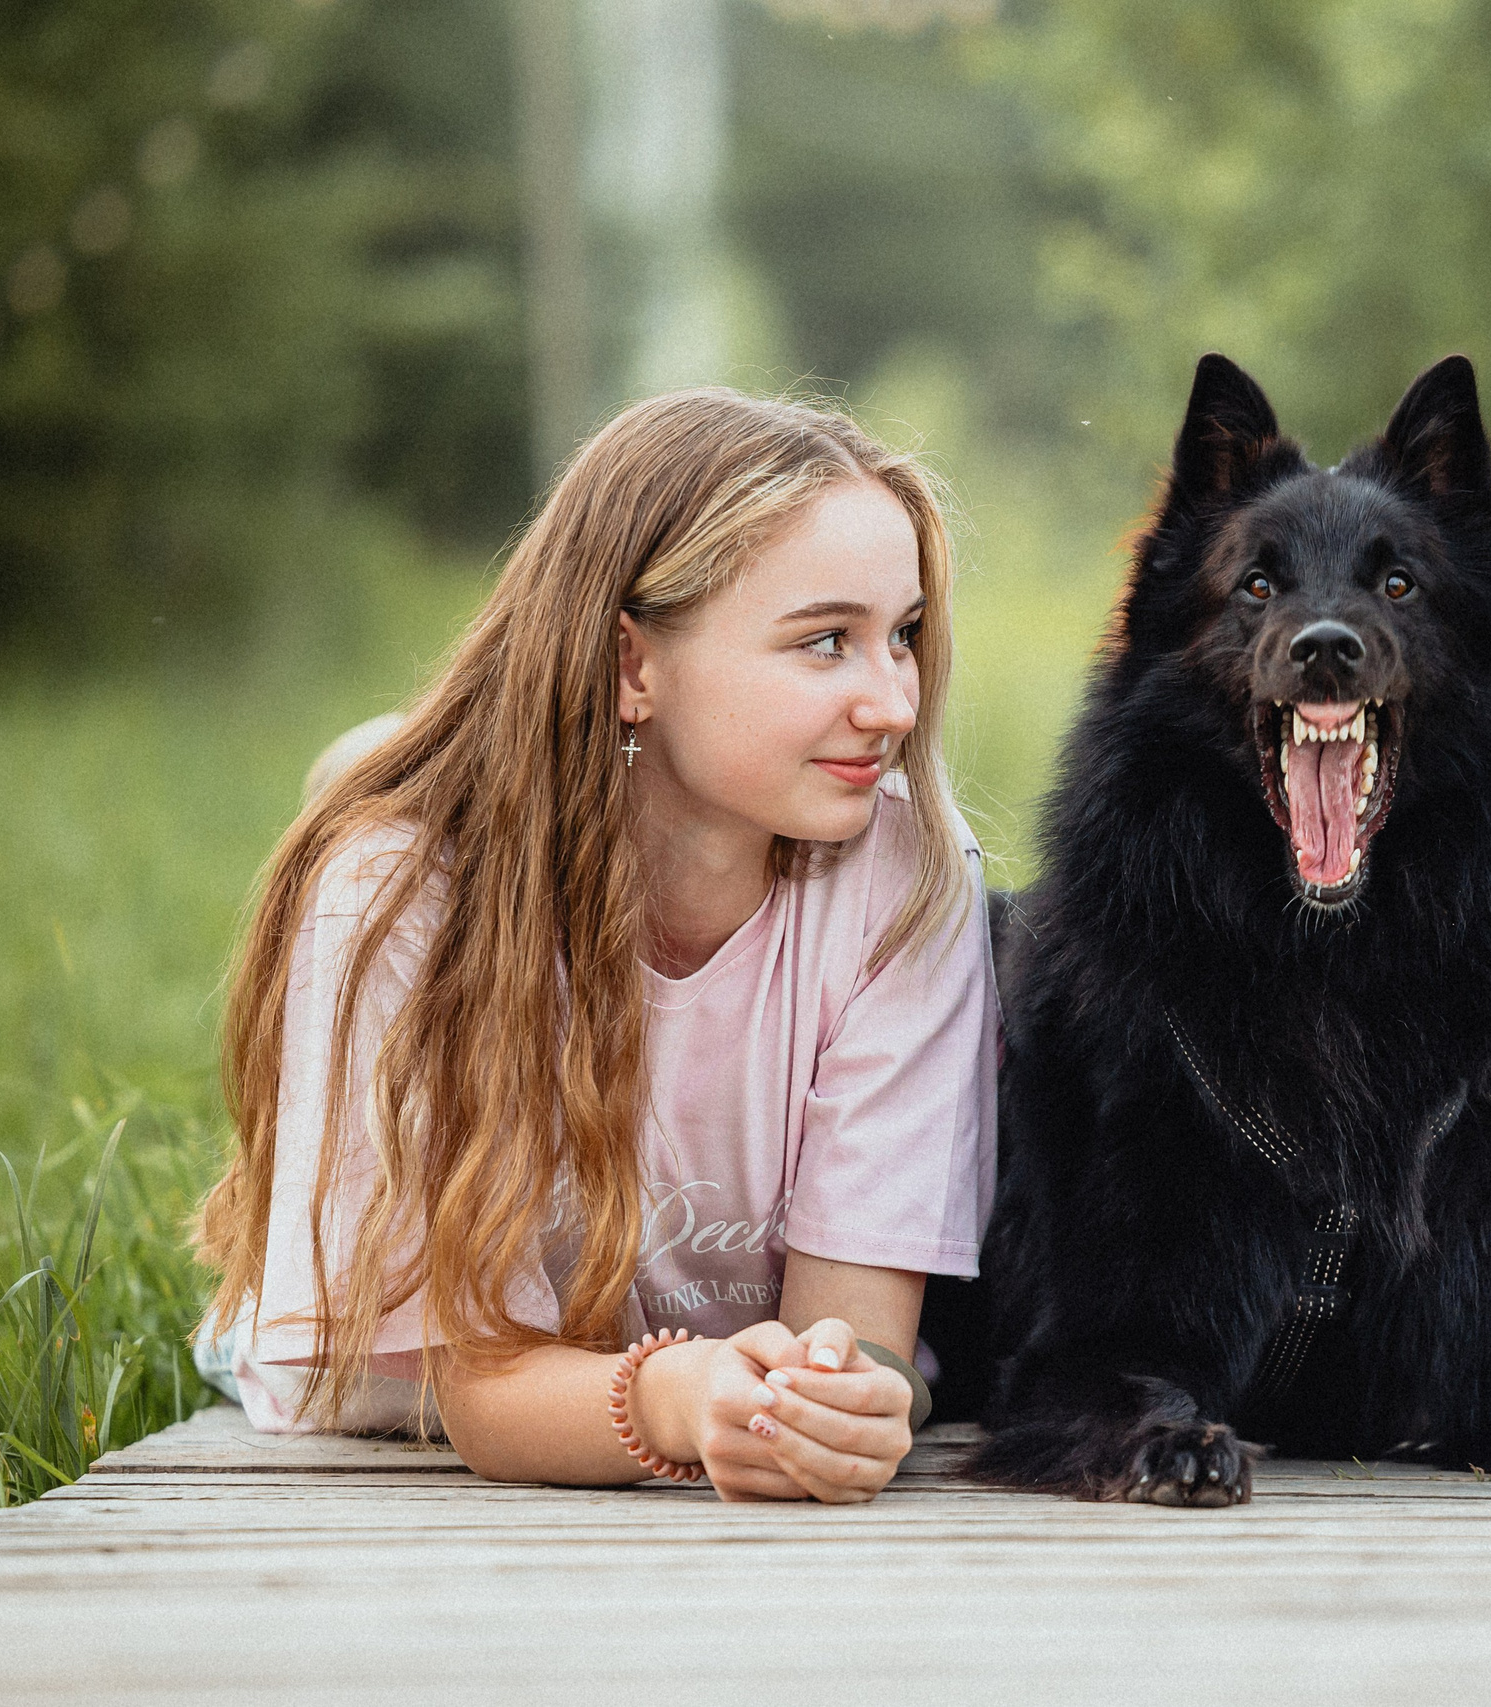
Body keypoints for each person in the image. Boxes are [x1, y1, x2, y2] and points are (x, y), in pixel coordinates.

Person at [192, 389, 996, 1504]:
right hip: (407, 1401)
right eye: (826, 642)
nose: (895, 704)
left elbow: (854, 1339)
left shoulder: (908, 876)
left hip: (712, 1377)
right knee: (382, 850)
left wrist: (837, 1404)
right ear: (633, 665)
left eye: (901, 636)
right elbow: (483, 1392)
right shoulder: (397, 898)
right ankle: (396, 770)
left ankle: (397, 755)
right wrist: (676, 1400)